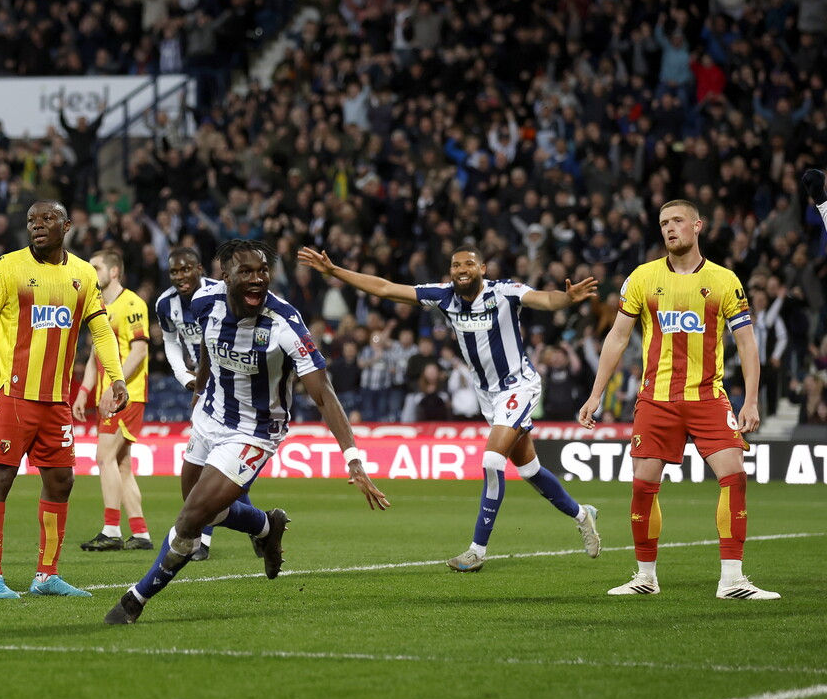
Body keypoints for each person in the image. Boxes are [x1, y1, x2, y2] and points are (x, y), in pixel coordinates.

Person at [105, 239, 390, 625]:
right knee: (205, 505)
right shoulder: (204, 304)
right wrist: (199, 382)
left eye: (263, 271)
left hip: (253, 433)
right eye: (246, 272)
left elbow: (324, 395)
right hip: (209, 418)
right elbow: (207, 343)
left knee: (190, 518)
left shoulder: (284, 323)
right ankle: (265, 525)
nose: (257, 279)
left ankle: (136, 599)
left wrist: (353, 458)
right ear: (224, 276)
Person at [299, 245, 603, 573]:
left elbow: (544, 300)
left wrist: (566, 298)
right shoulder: (444, 296)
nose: (461, 269)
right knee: (529, 471)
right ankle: (583, 515)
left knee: (490, 461)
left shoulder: (504, 292)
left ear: (482, 268)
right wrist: (335, 272)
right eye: (456, 264)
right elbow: (386, 288)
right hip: (488, 396)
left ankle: (477, 550)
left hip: (518, 386)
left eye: (469, 264)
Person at [580, 199, 777, 600]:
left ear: (698, 226)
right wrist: (596, 393)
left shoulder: (724, 280)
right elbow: (617, 337)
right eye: (663, 223)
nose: (670, 229)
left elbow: (746, 343)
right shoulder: (642, 277)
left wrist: (751, 400)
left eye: (677, 221)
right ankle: (645, 577)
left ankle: (732, 580)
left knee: (734, 476)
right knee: (642, 486)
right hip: (656, 399)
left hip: (707, 395)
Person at [0, 200, 128, 599]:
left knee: (61, 481)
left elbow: (102, 332)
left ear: (67, 226)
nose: (37, 226)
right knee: (0, 478)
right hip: (13, 395)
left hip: (56, 400)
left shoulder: (83, 274)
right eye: (31, 221)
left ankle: (46, 576)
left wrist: (116, 378)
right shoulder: (7, 266)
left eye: (47, 219)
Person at [152, 245, 258, 561]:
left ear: (200, 268)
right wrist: (186, 378)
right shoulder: (164, 303)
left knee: (217, 465)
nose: (180, 276)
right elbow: (171, 342)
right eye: (174, 271)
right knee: (218, 465)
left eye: (186, 269)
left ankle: (202, 538)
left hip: (232, 382)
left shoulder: (223, 291)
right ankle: (257, 527)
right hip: (202, 385)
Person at [74, 250, 153, 551]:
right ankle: (141, 532)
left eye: (96, 267)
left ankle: (111, 530)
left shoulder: (132, 304)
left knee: (103, 457)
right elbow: (96, 356)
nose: (91, 272)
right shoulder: (98, 307)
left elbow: (139, 351)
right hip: (109, 395)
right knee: (121, 464)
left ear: (114, 272)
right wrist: (85, 390)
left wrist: (115, 387)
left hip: (125, 396)